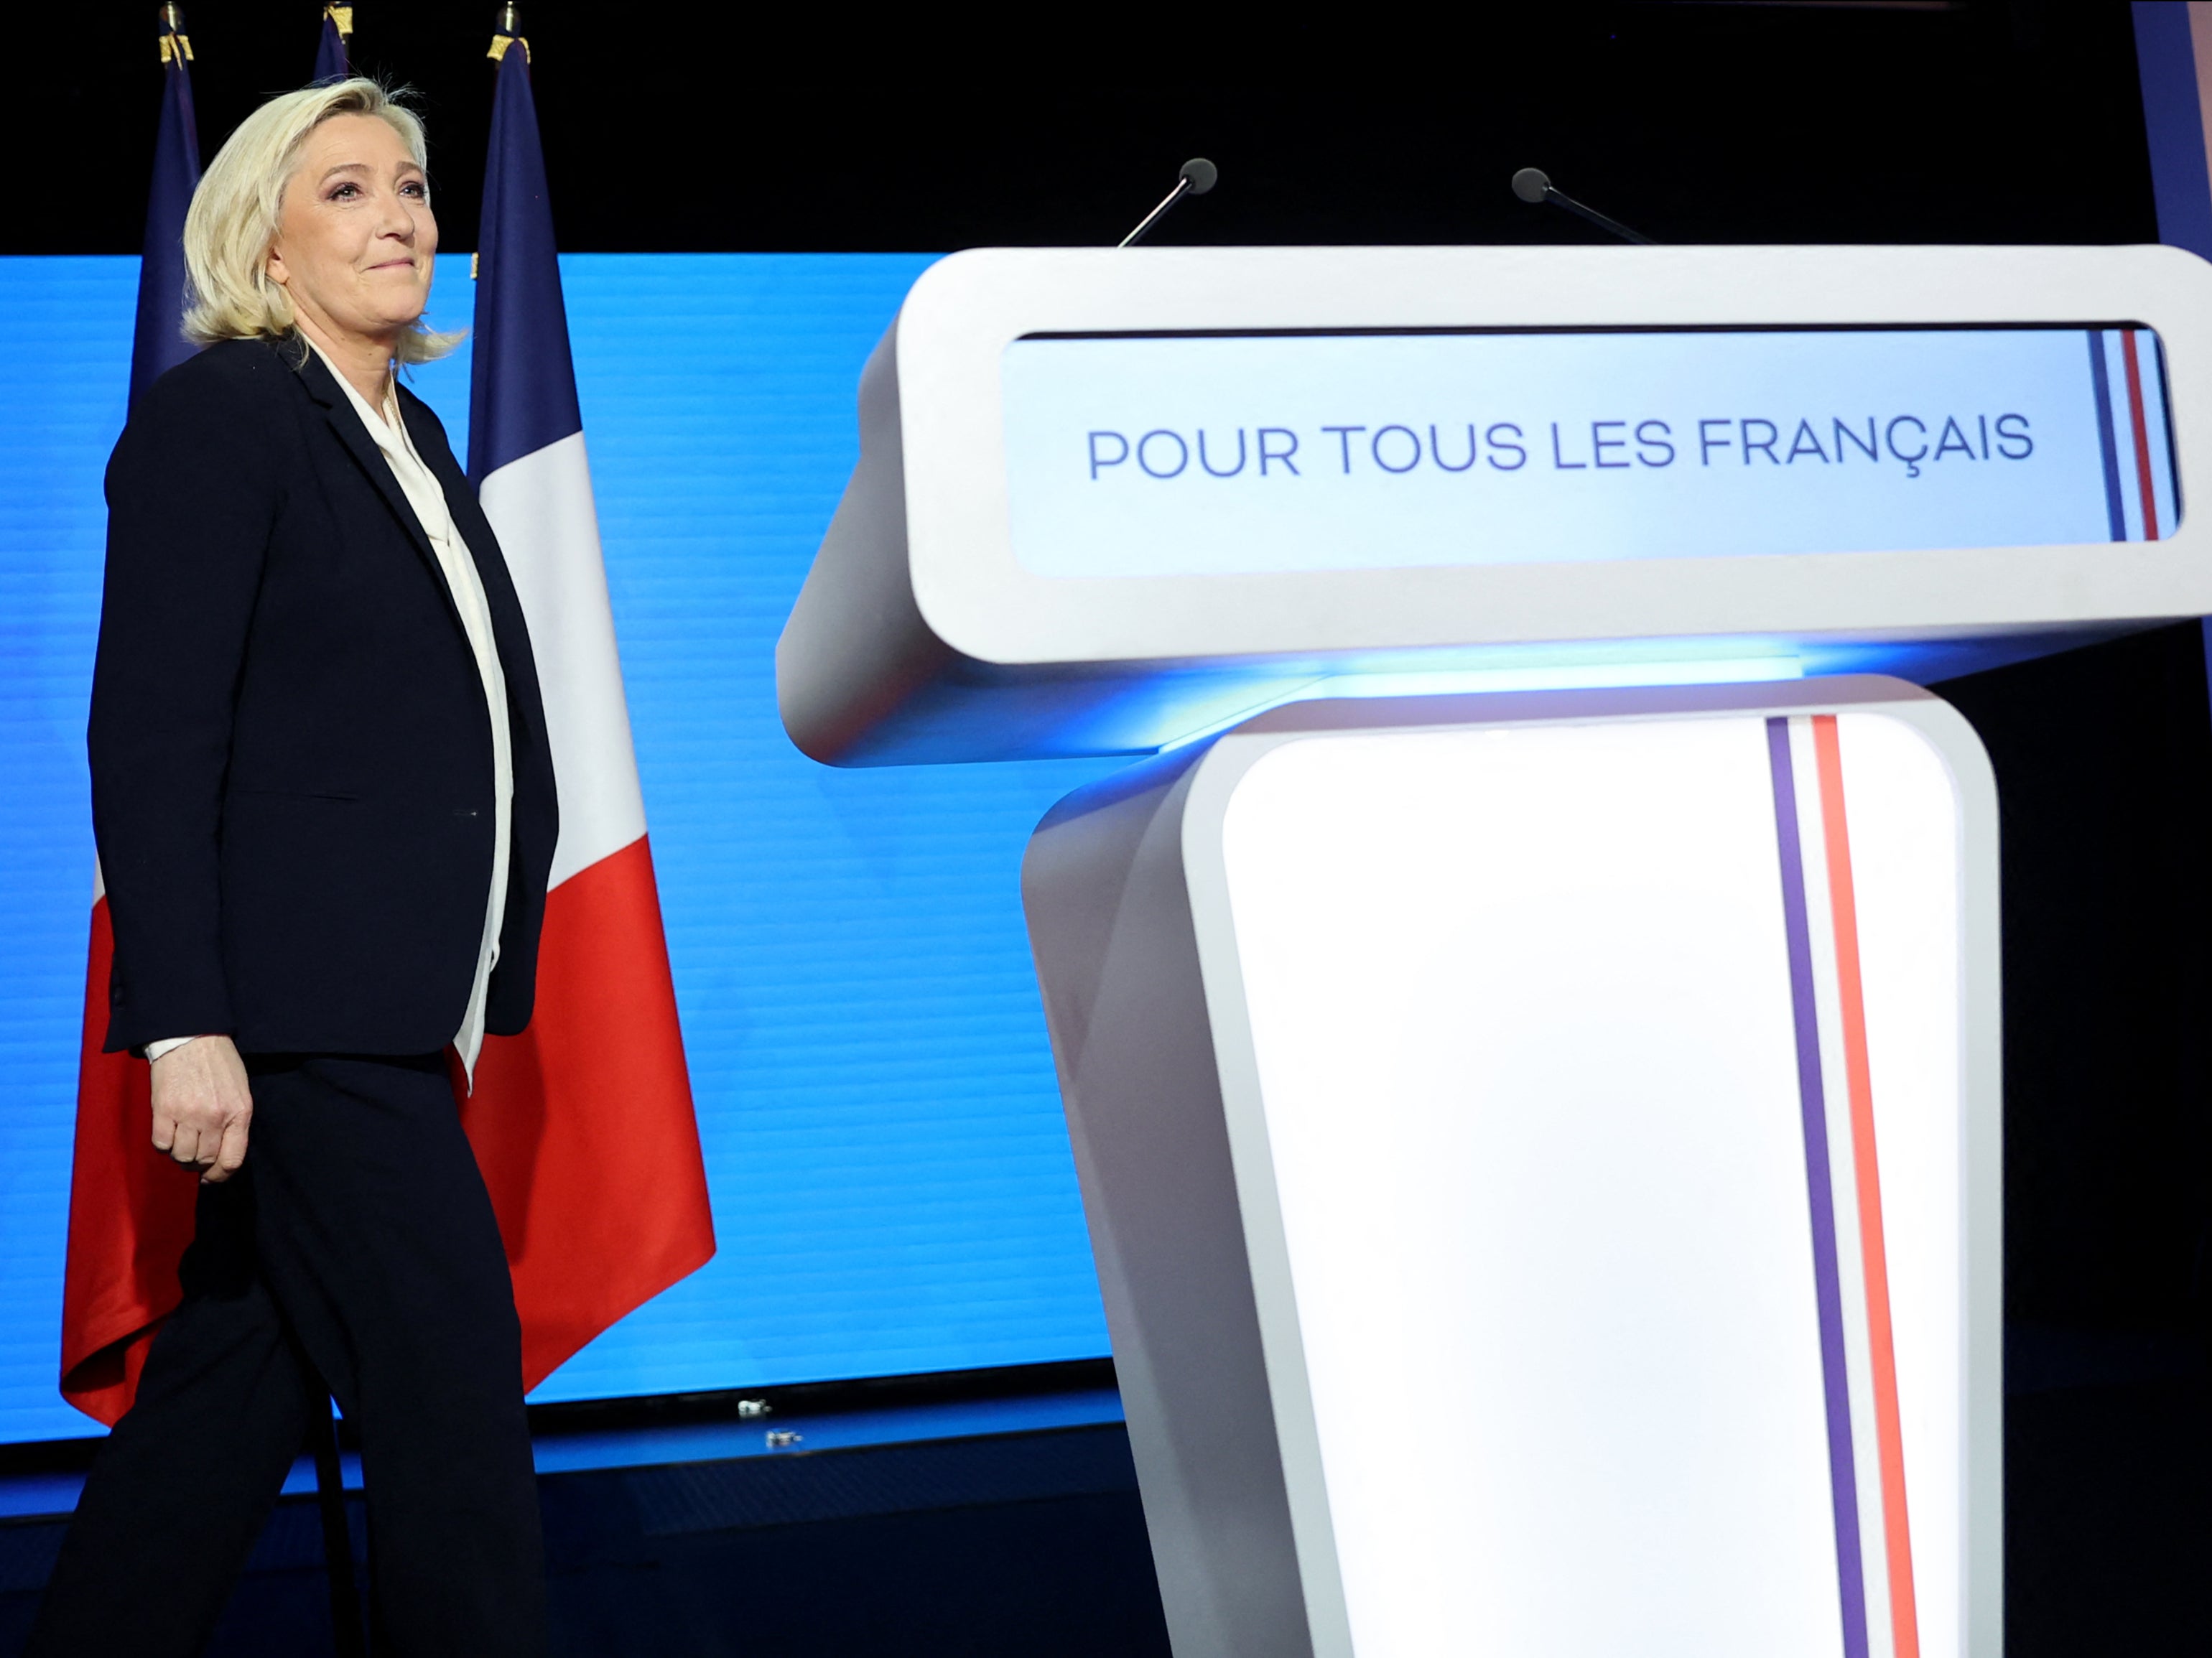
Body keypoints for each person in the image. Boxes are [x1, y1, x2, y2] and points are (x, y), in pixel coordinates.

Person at [29, 78, 557, 1657]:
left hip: (386, 1005)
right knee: (455, 1414)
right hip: (304, 1024)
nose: (399, 213)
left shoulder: (417, 440)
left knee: (225, 1400)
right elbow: (152, 736)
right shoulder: (224, 419)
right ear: (261, 247)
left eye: (407, 184)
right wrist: (182, 1016)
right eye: (344, 190)